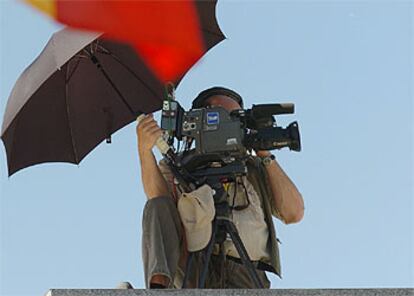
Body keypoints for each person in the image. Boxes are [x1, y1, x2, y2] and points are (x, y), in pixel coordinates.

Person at [136, 87, 304, 289]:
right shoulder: (179, 164)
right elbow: (158, 203)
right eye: (223, 117)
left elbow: (294, 212)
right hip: (193, 266)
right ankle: (159, 288)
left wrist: (265, 154)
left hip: (248, 274)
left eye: (236, 118)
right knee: (157, 206)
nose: (230, 125)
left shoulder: (252, 168)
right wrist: (145, 150)